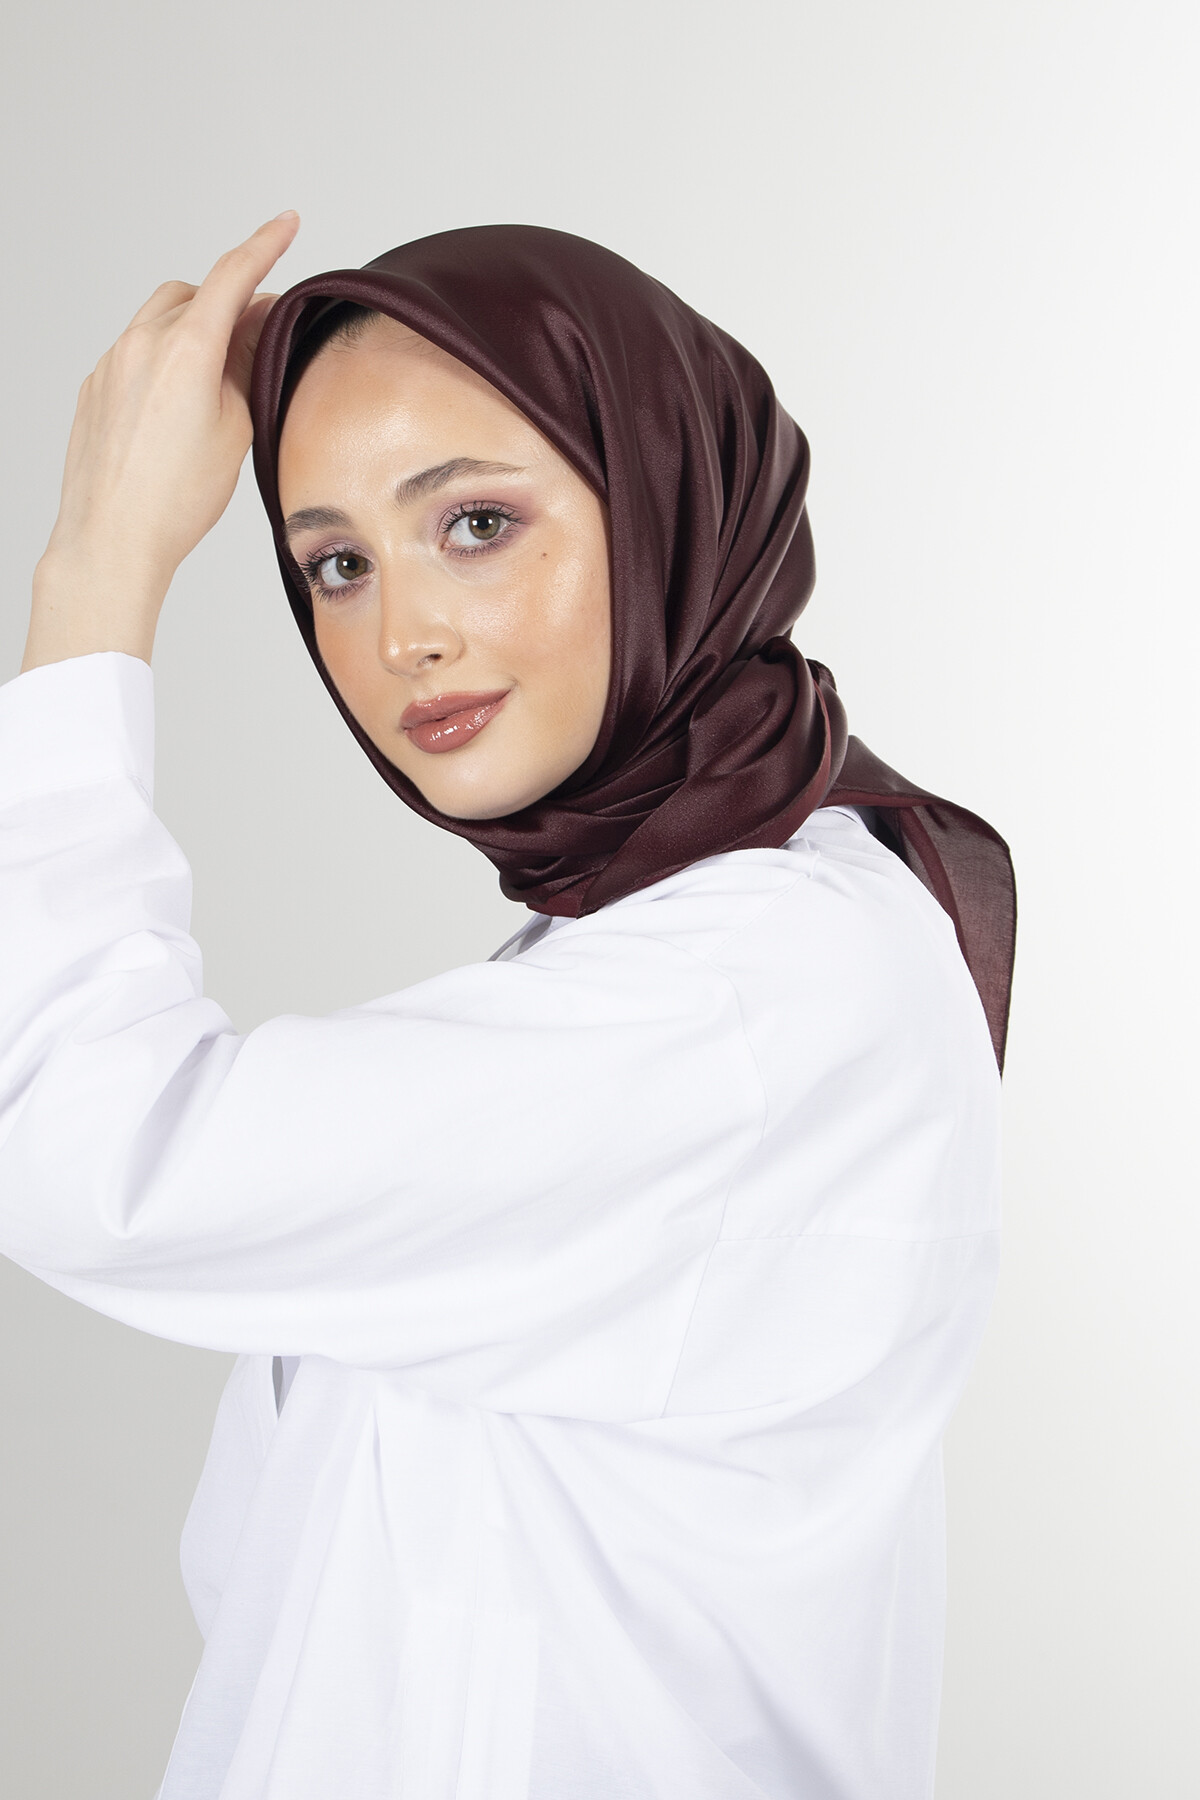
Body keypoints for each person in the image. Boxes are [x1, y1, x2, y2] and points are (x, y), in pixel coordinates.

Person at [1, 213, 1015, 1800]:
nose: (399, 635)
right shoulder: (650, 942)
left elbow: (86, 1151)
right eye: (336, 564)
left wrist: (94, 576)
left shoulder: (767, 982)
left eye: (473, 522)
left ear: (669, 497)